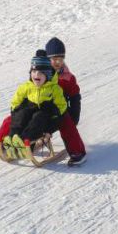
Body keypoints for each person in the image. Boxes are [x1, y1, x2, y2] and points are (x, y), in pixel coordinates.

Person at [3, 55, 66, 149]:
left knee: (38, 117)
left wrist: (55, 116)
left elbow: (61, 105)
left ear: (47, 75)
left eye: (41, 72)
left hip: (45, 115)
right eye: (34, 71)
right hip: (30, 110)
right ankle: (13, 138)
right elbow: (16, 100)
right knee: (22, 113)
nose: (36, 74)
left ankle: (25, 140)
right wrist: (15, 110)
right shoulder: (26, 86)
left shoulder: (54, 89)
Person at [44, 37, 87, 165]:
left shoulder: (67, 77)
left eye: (60, 59)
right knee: (19, 118)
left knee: (67, 124)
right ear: (48, 59)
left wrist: (74, 116)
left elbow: (74, 98)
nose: (57, 62)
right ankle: (4, 143)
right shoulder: (40, 74)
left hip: (60, 110)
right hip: (41, 110)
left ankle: (78, 152)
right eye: (54, 59)